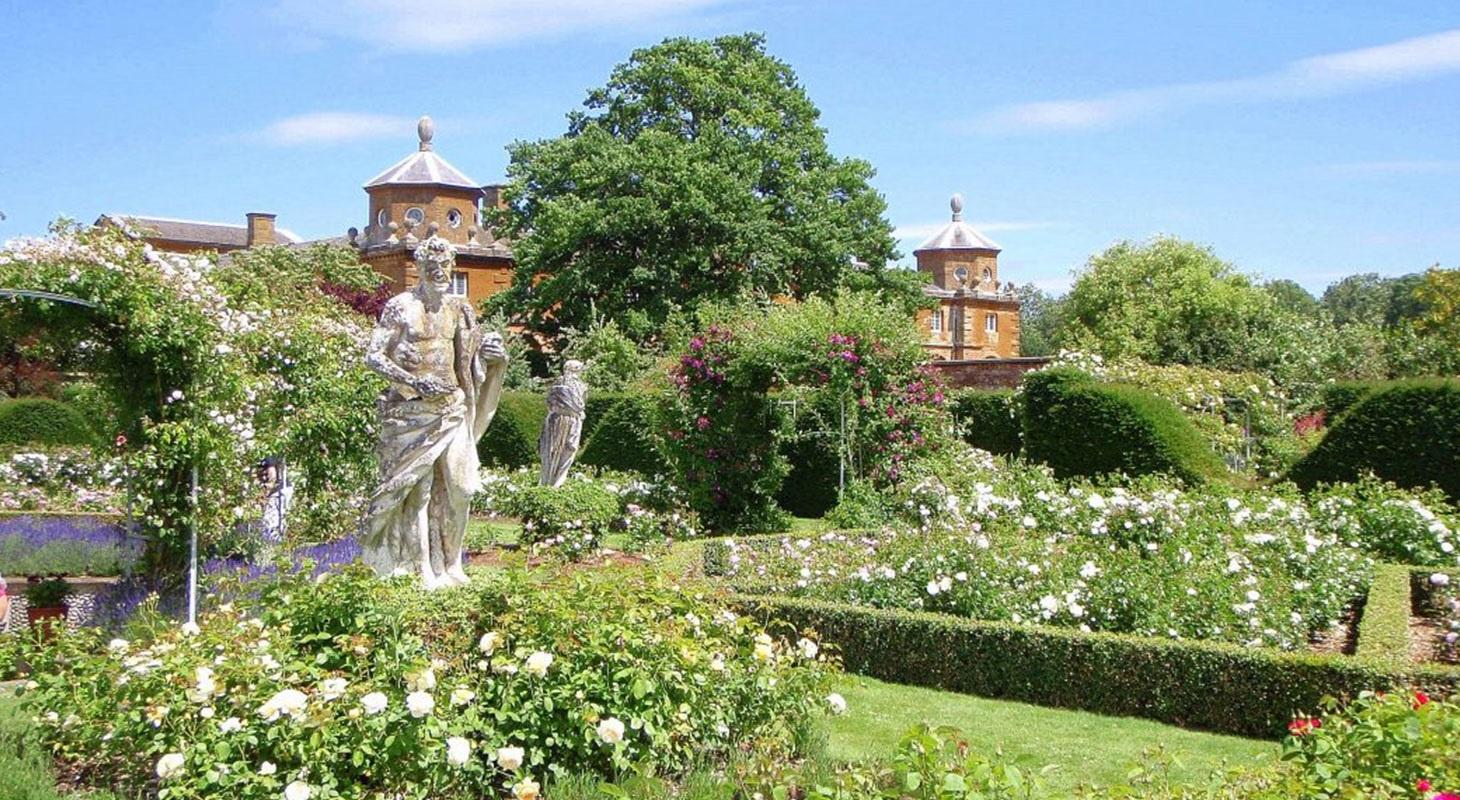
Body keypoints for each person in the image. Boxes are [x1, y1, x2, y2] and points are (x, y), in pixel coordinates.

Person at [360, 235, 508, 589]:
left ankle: (453, 563)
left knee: (462, 487)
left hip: (452, 409)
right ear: (420, 269)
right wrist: (410, 379)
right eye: (431, 267)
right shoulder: (400, 306)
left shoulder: (459, 308)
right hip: (412, 412)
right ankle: (423, 569)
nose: (439, 272)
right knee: (418, 490)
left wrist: (490, 352)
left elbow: (469, 360)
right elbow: (374, 355)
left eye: (444, 267)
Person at [538, 360, 587, 487]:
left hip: (566, 419)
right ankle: (550, 482)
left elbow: (550, 402)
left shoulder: (579, 385)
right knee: (556, 450)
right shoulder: (567, 385)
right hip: (564, 419)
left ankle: (555, 482)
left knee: (564, 449)